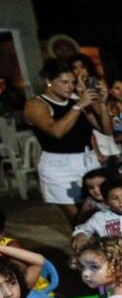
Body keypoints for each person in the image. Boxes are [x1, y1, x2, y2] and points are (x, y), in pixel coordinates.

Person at [25, 59, 110, 223]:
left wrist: (103, 104)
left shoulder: (76, 101)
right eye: (64, 82)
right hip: (59, 166)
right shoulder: (36, 104)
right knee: (79, 220)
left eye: (72, 82)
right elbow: (56, 132)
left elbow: (105, 130)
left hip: (88, 161)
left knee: (101, 213)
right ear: (49, 82)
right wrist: (78, 106)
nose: (69, 86)